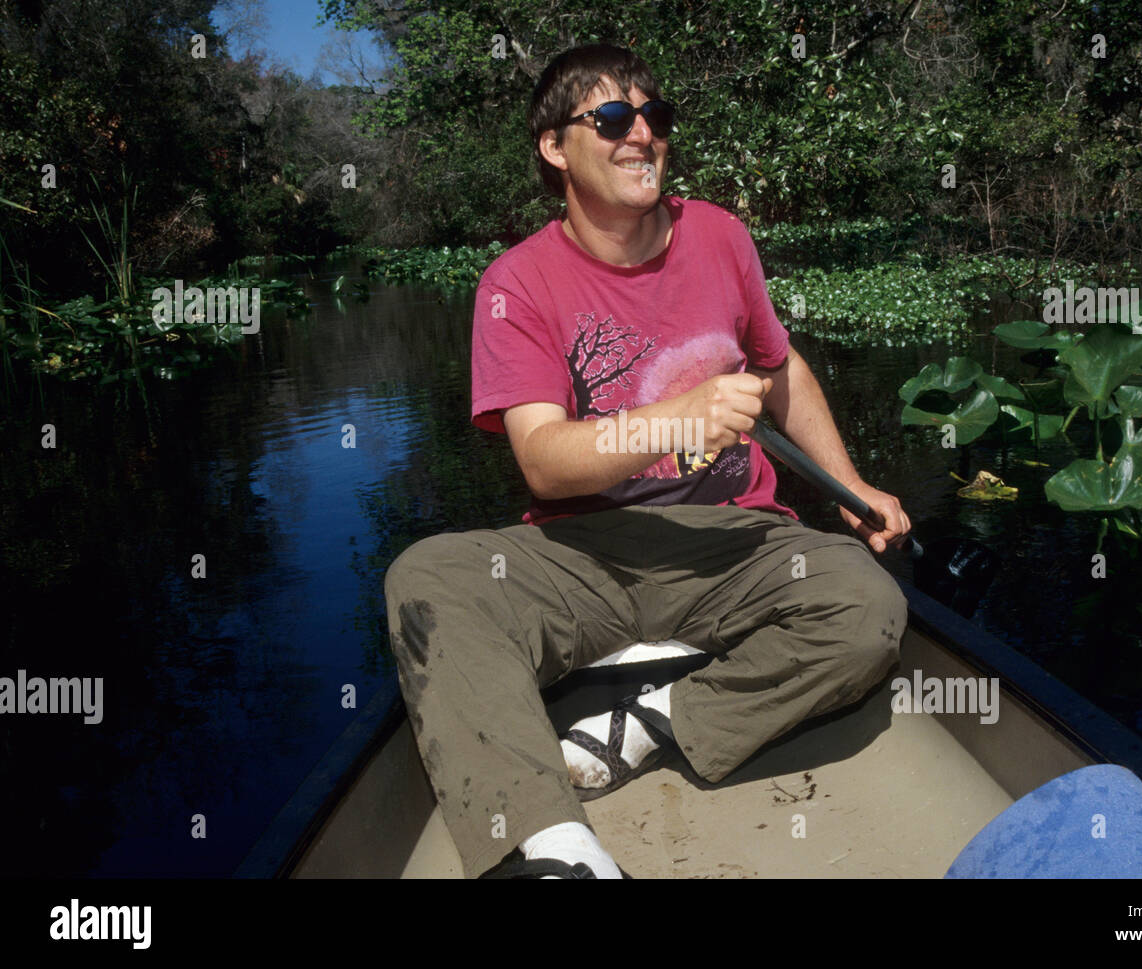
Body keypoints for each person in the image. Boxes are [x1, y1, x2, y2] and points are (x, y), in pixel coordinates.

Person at [384, 43, 911, 879]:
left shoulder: (720, 235)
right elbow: (545, 464)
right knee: (429, 577)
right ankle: (552, 845)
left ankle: (656, 722)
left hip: (736, 540)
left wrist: (849, 486)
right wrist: (675, 419)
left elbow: (779, 371)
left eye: (654, 118)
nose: (643, 136)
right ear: (556, 147)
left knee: (864, 605)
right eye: (613, 118)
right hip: (589, 550)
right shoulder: (515, 283)